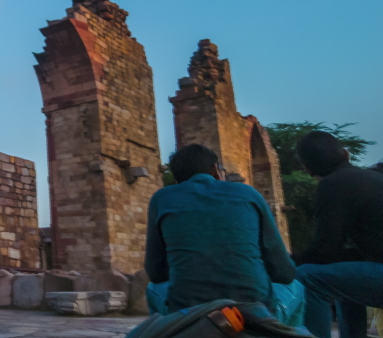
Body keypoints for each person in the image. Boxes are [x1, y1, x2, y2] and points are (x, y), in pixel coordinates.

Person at [144, 144, 304, 326]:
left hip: (190, 312)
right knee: (296, 287)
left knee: (153, 289)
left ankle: (174, 331)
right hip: (256, 311)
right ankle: (281, 332)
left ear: (176, 179)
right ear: (216, 170)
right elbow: (284, 272)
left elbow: (155, 272)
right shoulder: (248, 194)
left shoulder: (163, 198)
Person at [292, 131, 383, 338]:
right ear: (345, 154)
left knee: (306, 277)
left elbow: (325, 251)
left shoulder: (334, 184)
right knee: (341, 277)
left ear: (308, 168)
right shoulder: (372, 178)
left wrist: (288, 261)